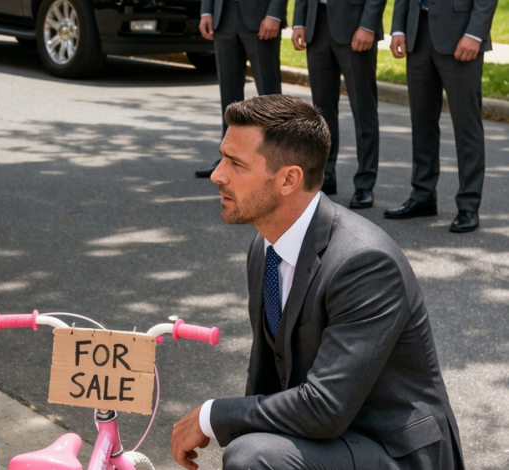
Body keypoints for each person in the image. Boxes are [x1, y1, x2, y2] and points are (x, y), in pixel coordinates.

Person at [172, 95, 463, 470]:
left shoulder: (363, 262)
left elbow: (326, 408)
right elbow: (266, 375)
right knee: (247, 450)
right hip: (329, 438)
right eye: (222, 157)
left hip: (395, 453)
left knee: (252, 457)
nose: (217, 175)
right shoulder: (265, 246)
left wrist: (213, 416)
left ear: (289, 179)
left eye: (236, 164)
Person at [384, 0, 498, 232]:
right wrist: (398, 28)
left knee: (467, 126)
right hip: (417, 33)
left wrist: (475, 34)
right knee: (421, 121)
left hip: (461, 33)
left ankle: (468, 205)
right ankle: (423, 195)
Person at [291, 0, 385, 207]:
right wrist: (300, 22)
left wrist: (368, 25)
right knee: (321, 113)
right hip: (317, 25)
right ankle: (325, 175)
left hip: (356, 25)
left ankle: (364, 184)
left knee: (363, 110)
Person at [194, 0, 286, 178]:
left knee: (270, 98)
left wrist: (274, 14)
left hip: (261, 16)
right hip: (223, 16)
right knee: (229, 95)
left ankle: (276, 164)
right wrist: (206, 12)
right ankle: (229, 160)